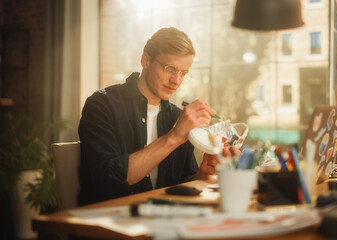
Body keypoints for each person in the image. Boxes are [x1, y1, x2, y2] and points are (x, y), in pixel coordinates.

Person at [77, 27, 239, 206]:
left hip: (163, 222)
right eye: (170, 68)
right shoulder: (102, 104)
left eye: (183, 73)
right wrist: (174, 137)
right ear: (145, 60)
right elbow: (108, 180)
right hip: (109, 221)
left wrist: (204, 173)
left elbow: (182, 185)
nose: (176, 80)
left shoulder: (177, 116)